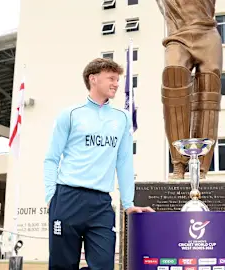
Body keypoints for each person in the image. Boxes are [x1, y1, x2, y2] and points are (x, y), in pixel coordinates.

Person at [43, 58, 154, 270]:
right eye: (111, 78)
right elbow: (51, 158)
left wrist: (128, 203)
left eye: (117, 79)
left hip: (101, 203)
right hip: (67, 198)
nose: (116, 83)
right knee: (62, 266)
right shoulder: (70, 114)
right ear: (93, 79)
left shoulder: (121, 118)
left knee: (103, 265)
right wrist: (51, 195)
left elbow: (124, 161)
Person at [155, 0, 223, 179]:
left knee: (209, 95)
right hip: (177, 37)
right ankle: (179, 162)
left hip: (207, 36)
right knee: (173, 77)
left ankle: (201, 167)